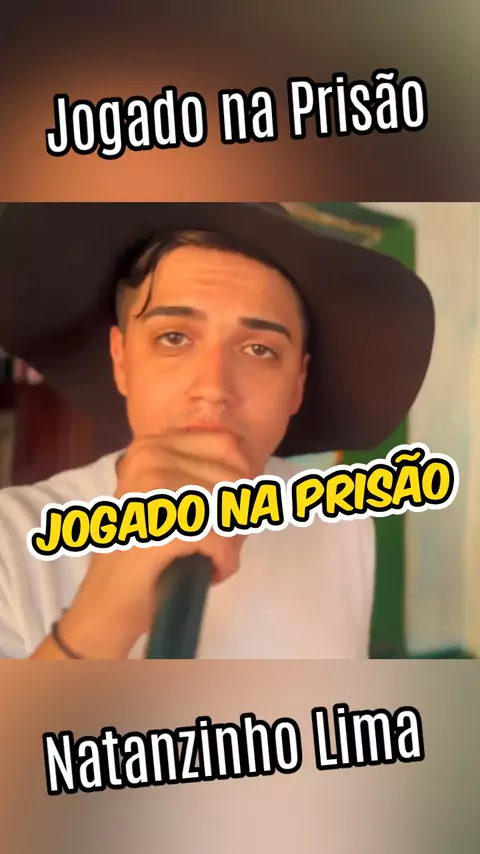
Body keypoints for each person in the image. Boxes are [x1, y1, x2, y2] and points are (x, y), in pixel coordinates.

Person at [0, 203, 435, 659]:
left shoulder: (341, 522)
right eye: (174, 338)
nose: (213, 389)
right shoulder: (13, 542)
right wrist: (100, 619)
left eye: (259, 349)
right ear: (122, 360)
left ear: (297, 385)